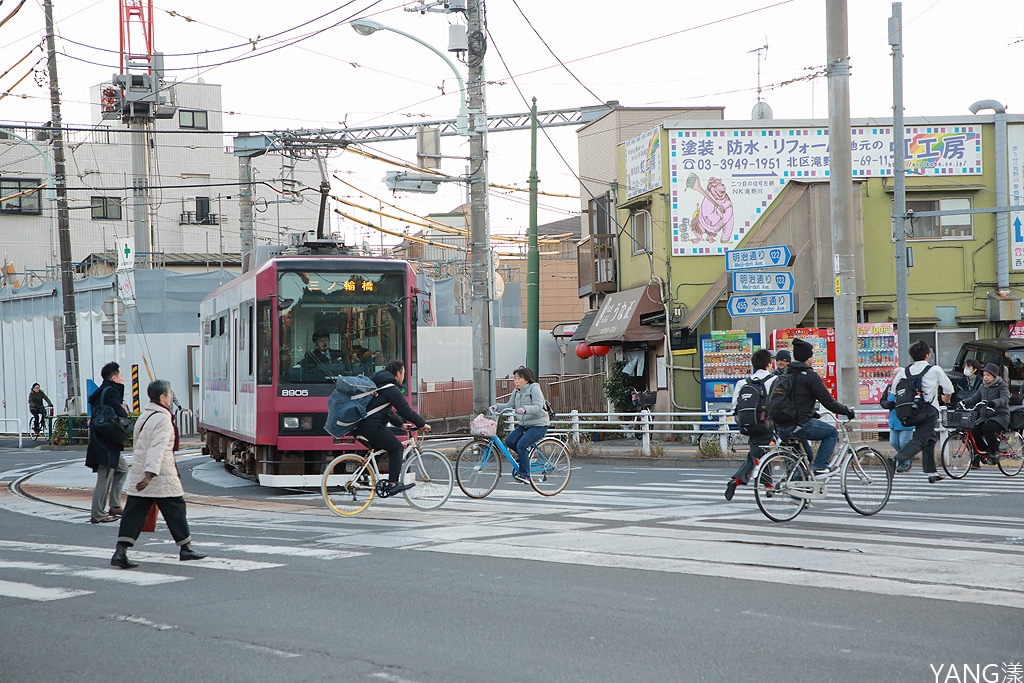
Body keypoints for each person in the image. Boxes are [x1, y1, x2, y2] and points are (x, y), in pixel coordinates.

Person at [111, 380, 206, 569]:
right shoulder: (163, 419)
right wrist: (150, 475)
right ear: (162, 397)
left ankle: (120, 551)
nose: (171, 397)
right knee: (176, 509)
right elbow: (157, 449)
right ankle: (185, 548)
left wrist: (145, 475)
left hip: (142, 473)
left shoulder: (145, 415)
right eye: (169, 394)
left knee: (134, 513)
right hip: (159, 475)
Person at [773, 337, 857, 479]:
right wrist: (847, 411)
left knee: (805, 457)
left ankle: (798, 494)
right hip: (799, 424)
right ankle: (821, 467)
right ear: (808, 357)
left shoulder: (787, 374)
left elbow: (796, 401)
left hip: (781, 426)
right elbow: (829, 403)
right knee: (831, 433)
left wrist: (813, 414)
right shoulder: (810, 375)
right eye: (812, 354)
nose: (813, 357)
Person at [353, 359, 431, 496]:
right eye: (403, 374)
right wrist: (422, 424)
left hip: (361, 426)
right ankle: (393, 484)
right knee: (397, 448)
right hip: (372, 427)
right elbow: (406, 410)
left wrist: (400, 424)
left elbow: (385, 410)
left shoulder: (379, 385)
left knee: (381, 448)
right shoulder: (390, 388)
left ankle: (363, 476)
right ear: (397, 373)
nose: (404, 377)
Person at [890, 340, 955, 483]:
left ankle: (931, 473)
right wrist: (946, 399)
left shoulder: (904, 371)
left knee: (930, 439)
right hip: (928, 411)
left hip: (910, 411)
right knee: (920, 440)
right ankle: (896, 461)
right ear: (928, 355)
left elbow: (894, 391)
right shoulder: (934, 369)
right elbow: (949, 388)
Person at [725, 348, 776, 501]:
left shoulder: (742, 383)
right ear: (769, 364)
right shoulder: (774, 380)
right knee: (758, 453)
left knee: (761, 451)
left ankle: (769, 487)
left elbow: (734, 407)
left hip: (747, 425)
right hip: (766, 424)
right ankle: (737, 480)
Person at [85, 362, 130, 524]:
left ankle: (115, 505)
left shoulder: (100, 392)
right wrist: (123, 408)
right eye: (121, 376)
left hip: (102, 440)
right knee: (103, 480)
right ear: (114, 377)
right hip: (106, 444)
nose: (123, 378)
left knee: (123, 469)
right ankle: (97, 514)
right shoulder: (110, 392)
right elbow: (120, 413)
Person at [491, 366, 549, 484]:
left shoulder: (534, 388)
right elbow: (510, 405)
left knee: (521, 445)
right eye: (515, 378)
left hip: (539, 424)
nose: (516, 381)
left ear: (527, 379)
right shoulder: (516, 391)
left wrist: (525, 409)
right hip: (525, 424)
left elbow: (538, 407)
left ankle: (526, 475)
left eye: (519, 378)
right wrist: (497, 406)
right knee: (509, 441)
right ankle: (526, 459)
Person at [963, 363, 1010, 468]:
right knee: (974, 430)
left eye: (988, 375)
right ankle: (984, 452)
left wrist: (995, 403)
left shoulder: (1001, 385)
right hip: (985, 416)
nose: (985, 377)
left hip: (1000, 416)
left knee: (987, 427)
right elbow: (975, 398)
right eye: (984, 375)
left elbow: (1005, 398)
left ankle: (994, 451)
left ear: (994, 376)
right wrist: (964, 402)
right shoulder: (983, 386)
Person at [879, 384, 914, 472]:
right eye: (893, 374)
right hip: (894, 420)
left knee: (903, 443)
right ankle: (907, 457)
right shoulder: (889, 387)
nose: (894, 376)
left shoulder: (908, 386)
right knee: (893, 442)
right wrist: (890, 404)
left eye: (896, 374)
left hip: (906, 419)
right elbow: (883, 402)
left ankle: (906, 463)